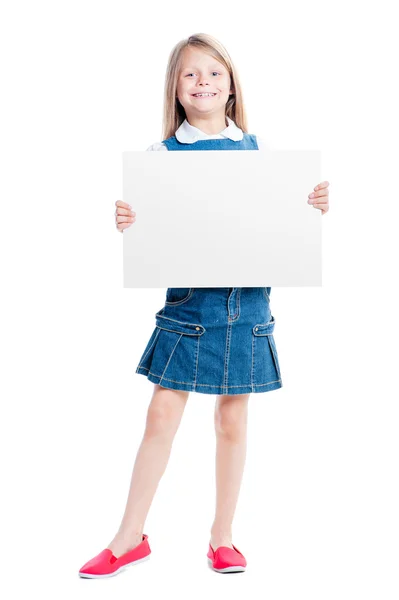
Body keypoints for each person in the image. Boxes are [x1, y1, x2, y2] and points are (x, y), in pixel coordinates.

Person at [79, 32, 330, 579]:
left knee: (233, 422)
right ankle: (128, 538)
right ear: (175, 86)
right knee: (161, 416)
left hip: (246, 307)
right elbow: (152, 233)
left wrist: (310, 206)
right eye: (191, 74)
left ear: (232, 85)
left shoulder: (259, 153)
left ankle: (223, 537)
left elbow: (279, 225)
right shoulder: (159, 158)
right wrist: (130, 221)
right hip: (189, 310)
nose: (204, 83)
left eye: (214, 73)